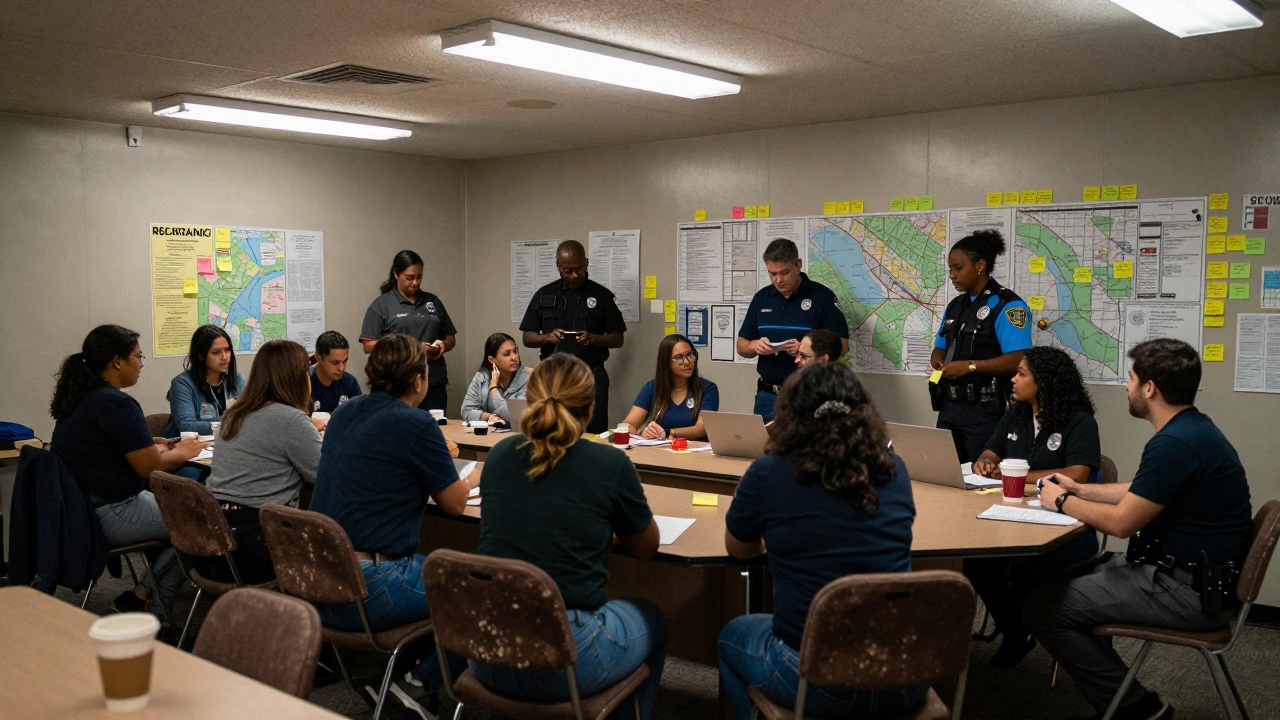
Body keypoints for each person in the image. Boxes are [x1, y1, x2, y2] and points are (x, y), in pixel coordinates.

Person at [1028, 339, 1252, 720]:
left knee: (1043, 608)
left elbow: (1121, 524)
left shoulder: (1175, 443)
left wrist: (1062, 501)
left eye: (1131, 378)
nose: (1126, 386)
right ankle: (1125, 696)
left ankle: (1136, 709)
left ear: (1150, 388)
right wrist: (1081, 488)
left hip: (1187, 592)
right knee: (1062, 579)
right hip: (1196, 579)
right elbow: (1141, 489)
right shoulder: (1193, 429)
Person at [718, 362, 924, 720]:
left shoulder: (769, 471)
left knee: (732, 636)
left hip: (818, 679)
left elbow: (738, 549)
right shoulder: (895, 468)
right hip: (905, 673)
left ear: (790, 412)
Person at [469, 353, 666, 720]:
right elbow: (646, 546)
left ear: (529, 402)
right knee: (652, 617)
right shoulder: (610, 463)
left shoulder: (499, 456)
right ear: (590, 411)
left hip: (488, 650)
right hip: (566, 660)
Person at [308, 333, 472, 709]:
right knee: (476, 588)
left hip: (318, 579)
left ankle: (407, 673)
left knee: (433, 564)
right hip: (368, 587)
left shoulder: (346, 412)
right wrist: (475, 477)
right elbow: (454, 504)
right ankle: (416, 685)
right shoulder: (416, 424)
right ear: (418, 380)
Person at [49, 324, 203, 619]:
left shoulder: (85, 396)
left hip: (84, 508)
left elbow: (110, 449)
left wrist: (151, 444)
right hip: (113, 509)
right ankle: (155, 610)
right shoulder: (115, 402)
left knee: (192, 518)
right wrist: (182, 452)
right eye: (138, 356)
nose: (141, 364)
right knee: (201, 526)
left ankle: (141, 594)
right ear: (117, 361)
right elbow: (149, 468)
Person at [963, 346, 1101, 668]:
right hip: (1010, 517)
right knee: (974, 560)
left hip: (1065, 528)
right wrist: (984, 465)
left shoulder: (1079, 422)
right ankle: (1016, 628)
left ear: (1045, 382)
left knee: (1027, 562)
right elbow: (990, 454)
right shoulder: (1017, 413)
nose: (1013, 379)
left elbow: (1077, 474)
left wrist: (1020, 476)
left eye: (1021, 373)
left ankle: (1018, 629)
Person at [196, 340, 321, 585]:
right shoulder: (292, 420)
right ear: (298, 378)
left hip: (210, 542)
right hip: (257, 548)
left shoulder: (233, 415)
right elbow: (325, 475)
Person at [929, 229, 1031, 463]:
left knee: (982, 479)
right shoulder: (956, 305)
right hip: (950, 407)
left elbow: (1019, 358)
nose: (952, 276)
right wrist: (938, 361)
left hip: (986, 410)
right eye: (950, 270)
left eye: (958, 268)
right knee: (946, 473)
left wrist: (972, 367)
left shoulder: (1008, 305)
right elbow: (940, 345)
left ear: (980, 265)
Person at [736, 238, 849, 422]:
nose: (778, 280)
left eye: (784, 272)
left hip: (810, 394)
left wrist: (805, 349)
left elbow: (842, 345)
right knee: (765, 448)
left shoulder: (823, 297)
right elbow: (741, 346)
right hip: (768, 396)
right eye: (772, 274)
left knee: (807, 449)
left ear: (798, 265)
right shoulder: (761, 298)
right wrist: (755, 345)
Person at [520, 240, 626, 434]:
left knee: (593, 433)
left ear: (586, 263)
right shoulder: (544, 294)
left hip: (591, 375)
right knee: (552, 430)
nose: (575, 275)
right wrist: (548, 338)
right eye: (568, 270)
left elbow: (618, 338)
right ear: (558, 266)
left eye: (580, 268)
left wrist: (593, 339)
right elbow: (527, 337)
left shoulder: (601, 296)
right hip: (552, 376)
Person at [360, 250, 457, 411]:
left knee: (434, 429)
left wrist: (442, 347)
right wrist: (413, 347)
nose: (415, 282)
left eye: (419, 277)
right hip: (397, 384)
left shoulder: (432, 301)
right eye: (410, 277)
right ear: (396, 274)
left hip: (432, 381)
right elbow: (368, 345)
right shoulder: (382, 305)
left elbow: (450, 337)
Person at [621, 333, 719, 440]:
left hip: (693, 452)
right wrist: (644, 433)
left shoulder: (707, 388)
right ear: (666, 362)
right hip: (659, 451)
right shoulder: (651, 388)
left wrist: (668, 432)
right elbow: (629, 424)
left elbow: (702, 428)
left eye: (690, 355)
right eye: (679, 357)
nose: (687, 362)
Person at [163, 324, 244, 437]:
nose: (224, 356)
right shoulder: (183, 384)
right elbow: (186, 426)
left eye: (227, 350)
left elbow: (246, 418)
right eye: (216, 352)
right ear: (201, 356)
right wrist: (227, 425)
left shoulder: (237, 380)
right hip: (188, 448)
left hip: (225, 444)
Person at [460, 332, 530, 427]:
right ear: (492, 359)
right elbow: (466, 411)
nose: (514, 357)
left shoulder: (528, 378)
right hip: (488, 436)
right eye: (507, 354)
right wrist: (489, 417)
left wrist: (493, 389)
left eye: (515, 351)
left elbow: (514, 416)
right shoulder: (482, 376)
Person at [309, 330, 362, 414]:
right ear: (318, 359)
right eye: (335, 363)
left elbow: (359, 416)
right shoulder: (305, 383)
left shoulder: (350, 382)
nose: (341, 368)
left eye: (344, 361)